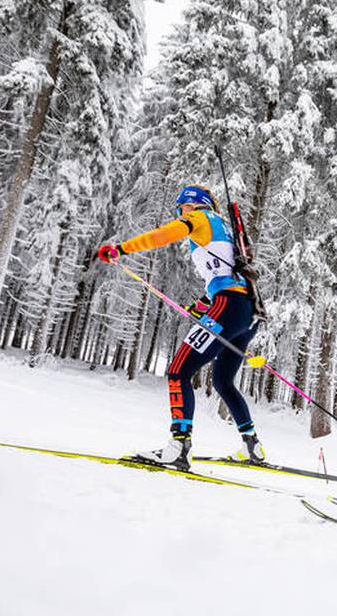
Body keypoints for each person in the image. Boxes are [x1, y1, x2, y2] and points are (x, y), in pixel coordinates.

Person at [95, 185, 263, 469]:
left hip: (229, 306)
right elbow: (224, 275)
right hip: (248, 313)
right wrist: (201, 305)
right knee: (223, 381)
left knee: (178, 371)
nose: (180, 213)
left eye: (181, 208)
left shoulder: (200, 218)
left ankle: (179, 447)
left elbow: (164, 234)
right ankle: (252, 446)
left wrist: (122, 249)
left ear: (189, 205)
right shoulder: (223, 227)